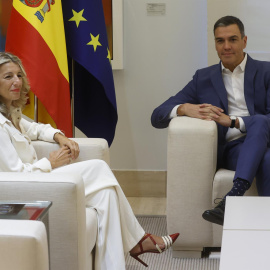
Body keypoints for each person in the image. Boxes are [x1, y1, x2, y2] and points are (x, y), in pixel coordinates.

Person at [0, 51, 179, 269]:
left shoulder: (11, 113)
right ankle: (139, 241)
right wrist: (50, 163)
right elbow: (15, 176)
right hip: (23, 192)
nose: (17, 81)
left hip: (39, 181)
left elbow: (35, 128)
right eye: (8, 77)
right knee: (98, 168)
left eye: (19, 75)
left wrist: (59, 136)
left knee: (105, 194)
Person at [151, 15, 270, 226]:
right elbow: (157, 116)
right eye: (220, 41)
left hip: (264, 139)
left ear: (244, 41)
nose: (226, 46)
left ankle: (233, 197)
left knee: (261, 125)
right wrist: (184, 108)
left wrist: (233, 121)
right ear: (214, 43)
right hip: (233, 149)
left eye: (233, 39)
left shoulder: (266, 72)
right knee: (267, 159)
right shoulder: (203, 78)